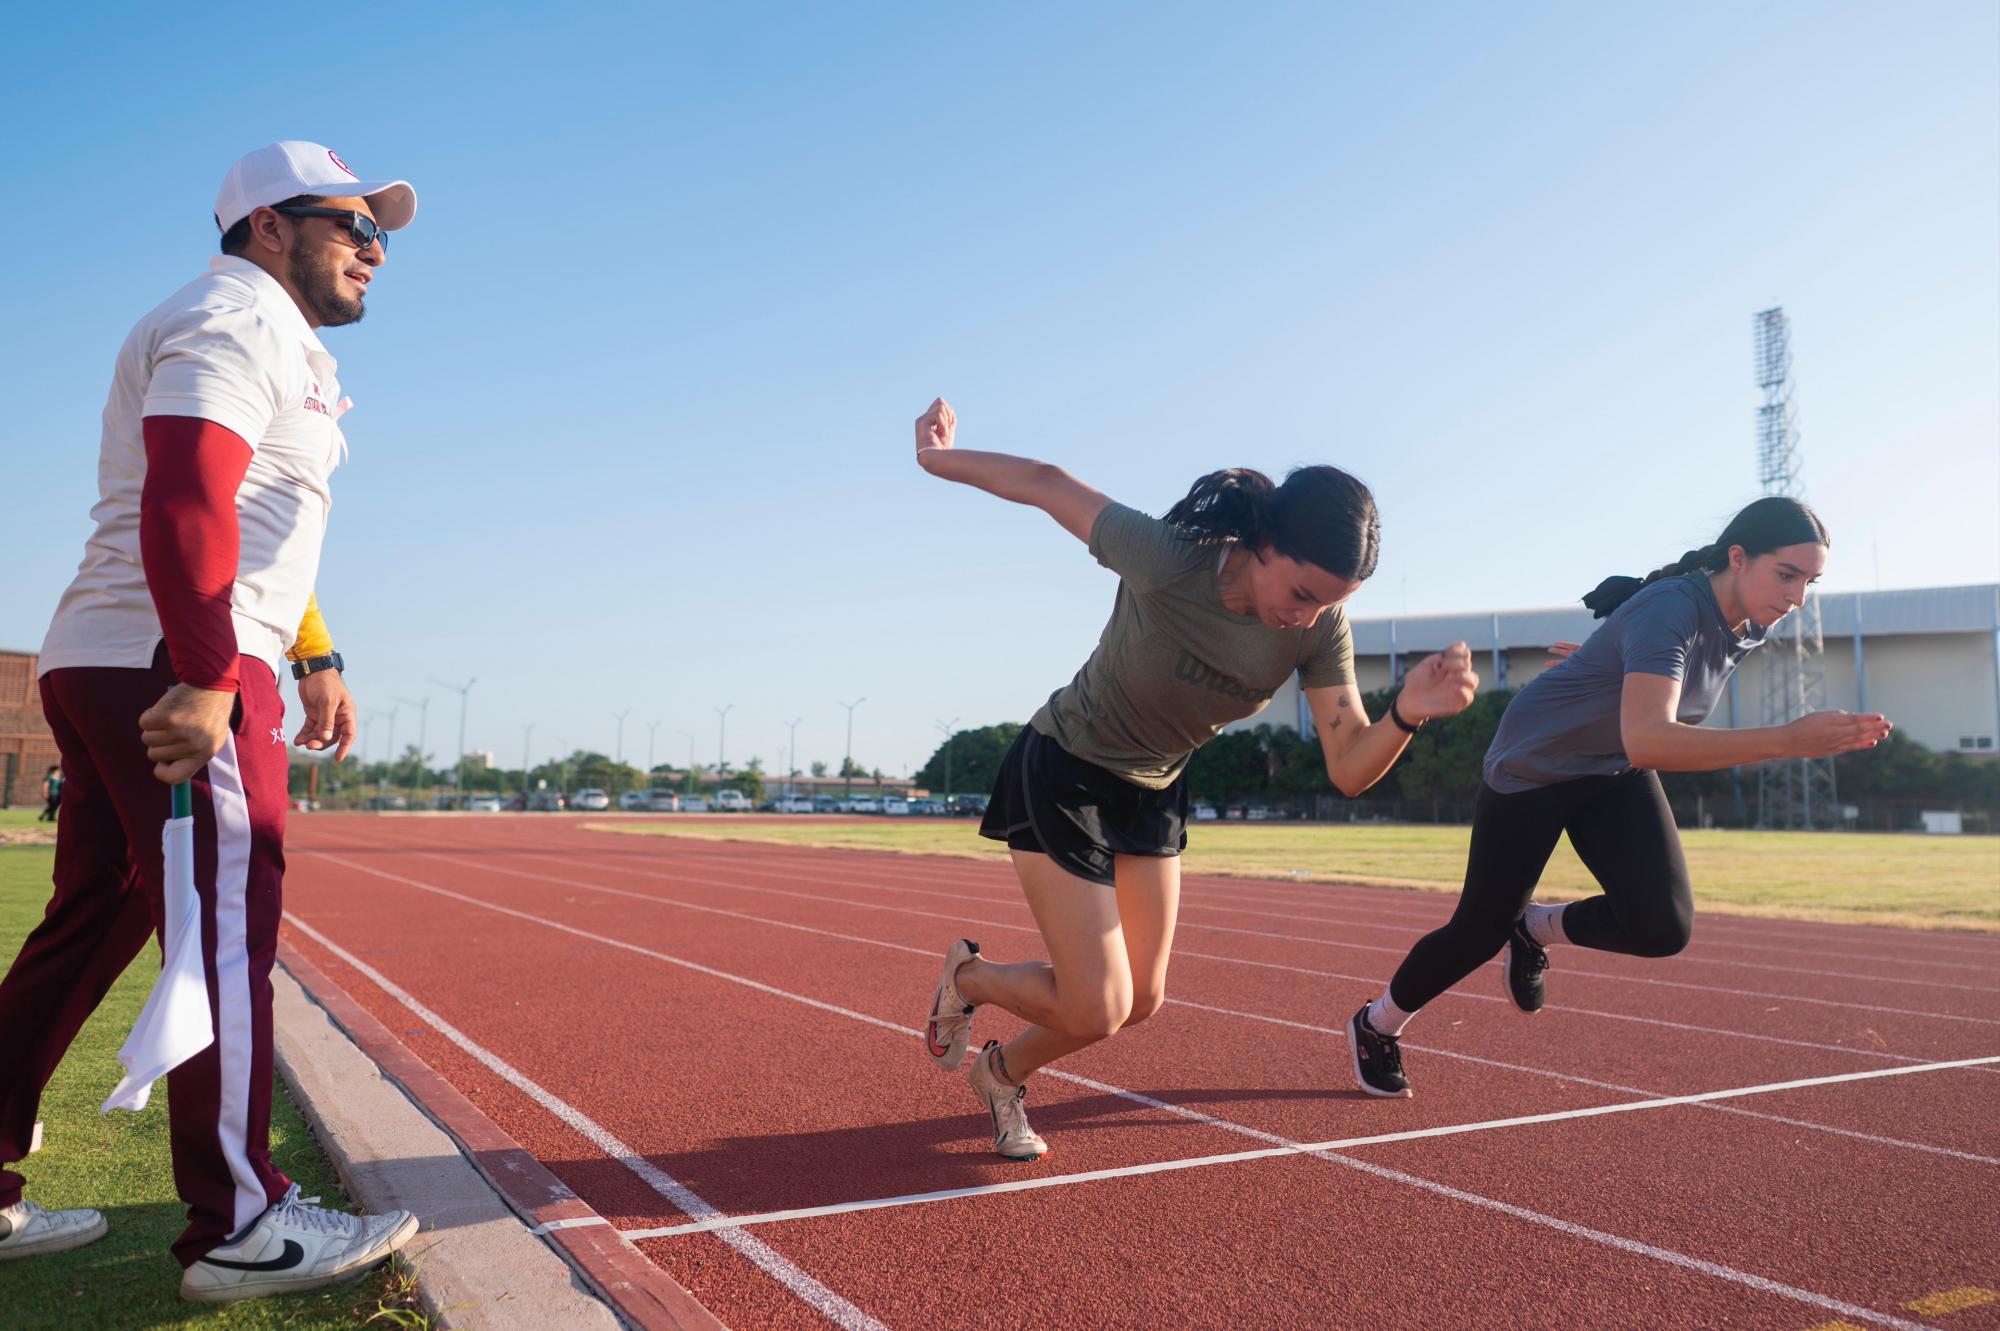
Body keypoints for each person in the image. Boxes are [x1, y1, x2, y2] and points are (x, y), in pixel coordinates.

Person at [0, 141, 422, 1302]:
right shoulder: (240, 315)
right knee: (229, 926)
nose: (375, 251)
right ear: (266, 228)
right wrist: (207, 672)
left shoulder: (253, 325)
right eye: (352, 225)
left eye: (382, 233)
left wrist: (314, 646)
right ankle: (242, 1220)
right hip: (175, 655)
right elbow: (188, 487)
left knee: (91, 925)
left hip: (113, 652)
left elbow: (262, 505)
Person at [913, 397, 1479, 1158]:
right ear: (1262, 544)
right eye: (1303, 593)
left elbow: (1348, 766)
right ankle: (973, 980)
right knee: (1099, 1002)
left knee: (1140, 1001)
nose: (1309, 617)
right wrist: (938, 459)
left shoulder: (1319, 630)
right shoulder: (1172, 556)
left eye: (1333, 605)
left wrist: (1406, 713)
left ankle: (1001, 1071)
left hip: (1154, 788)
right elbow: (1049, 483)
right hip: (1067, 767)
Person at [1345, 496, 1892, 1098]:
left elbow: (1649, 699)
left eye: (1810, 581)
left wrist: (1603, 664)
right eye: (1787, 574)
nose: (1797, 597)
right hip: (1538, 763)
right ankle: (1377, 1025)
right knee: (1477, 931)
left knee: (1662, 926)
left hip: (1611, 765)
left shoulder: (1750, 622)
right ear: (1738, 558)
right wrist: (1788, 740)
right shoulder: (1673, 609)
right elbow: (1651, 738)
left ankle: (1535, 930)